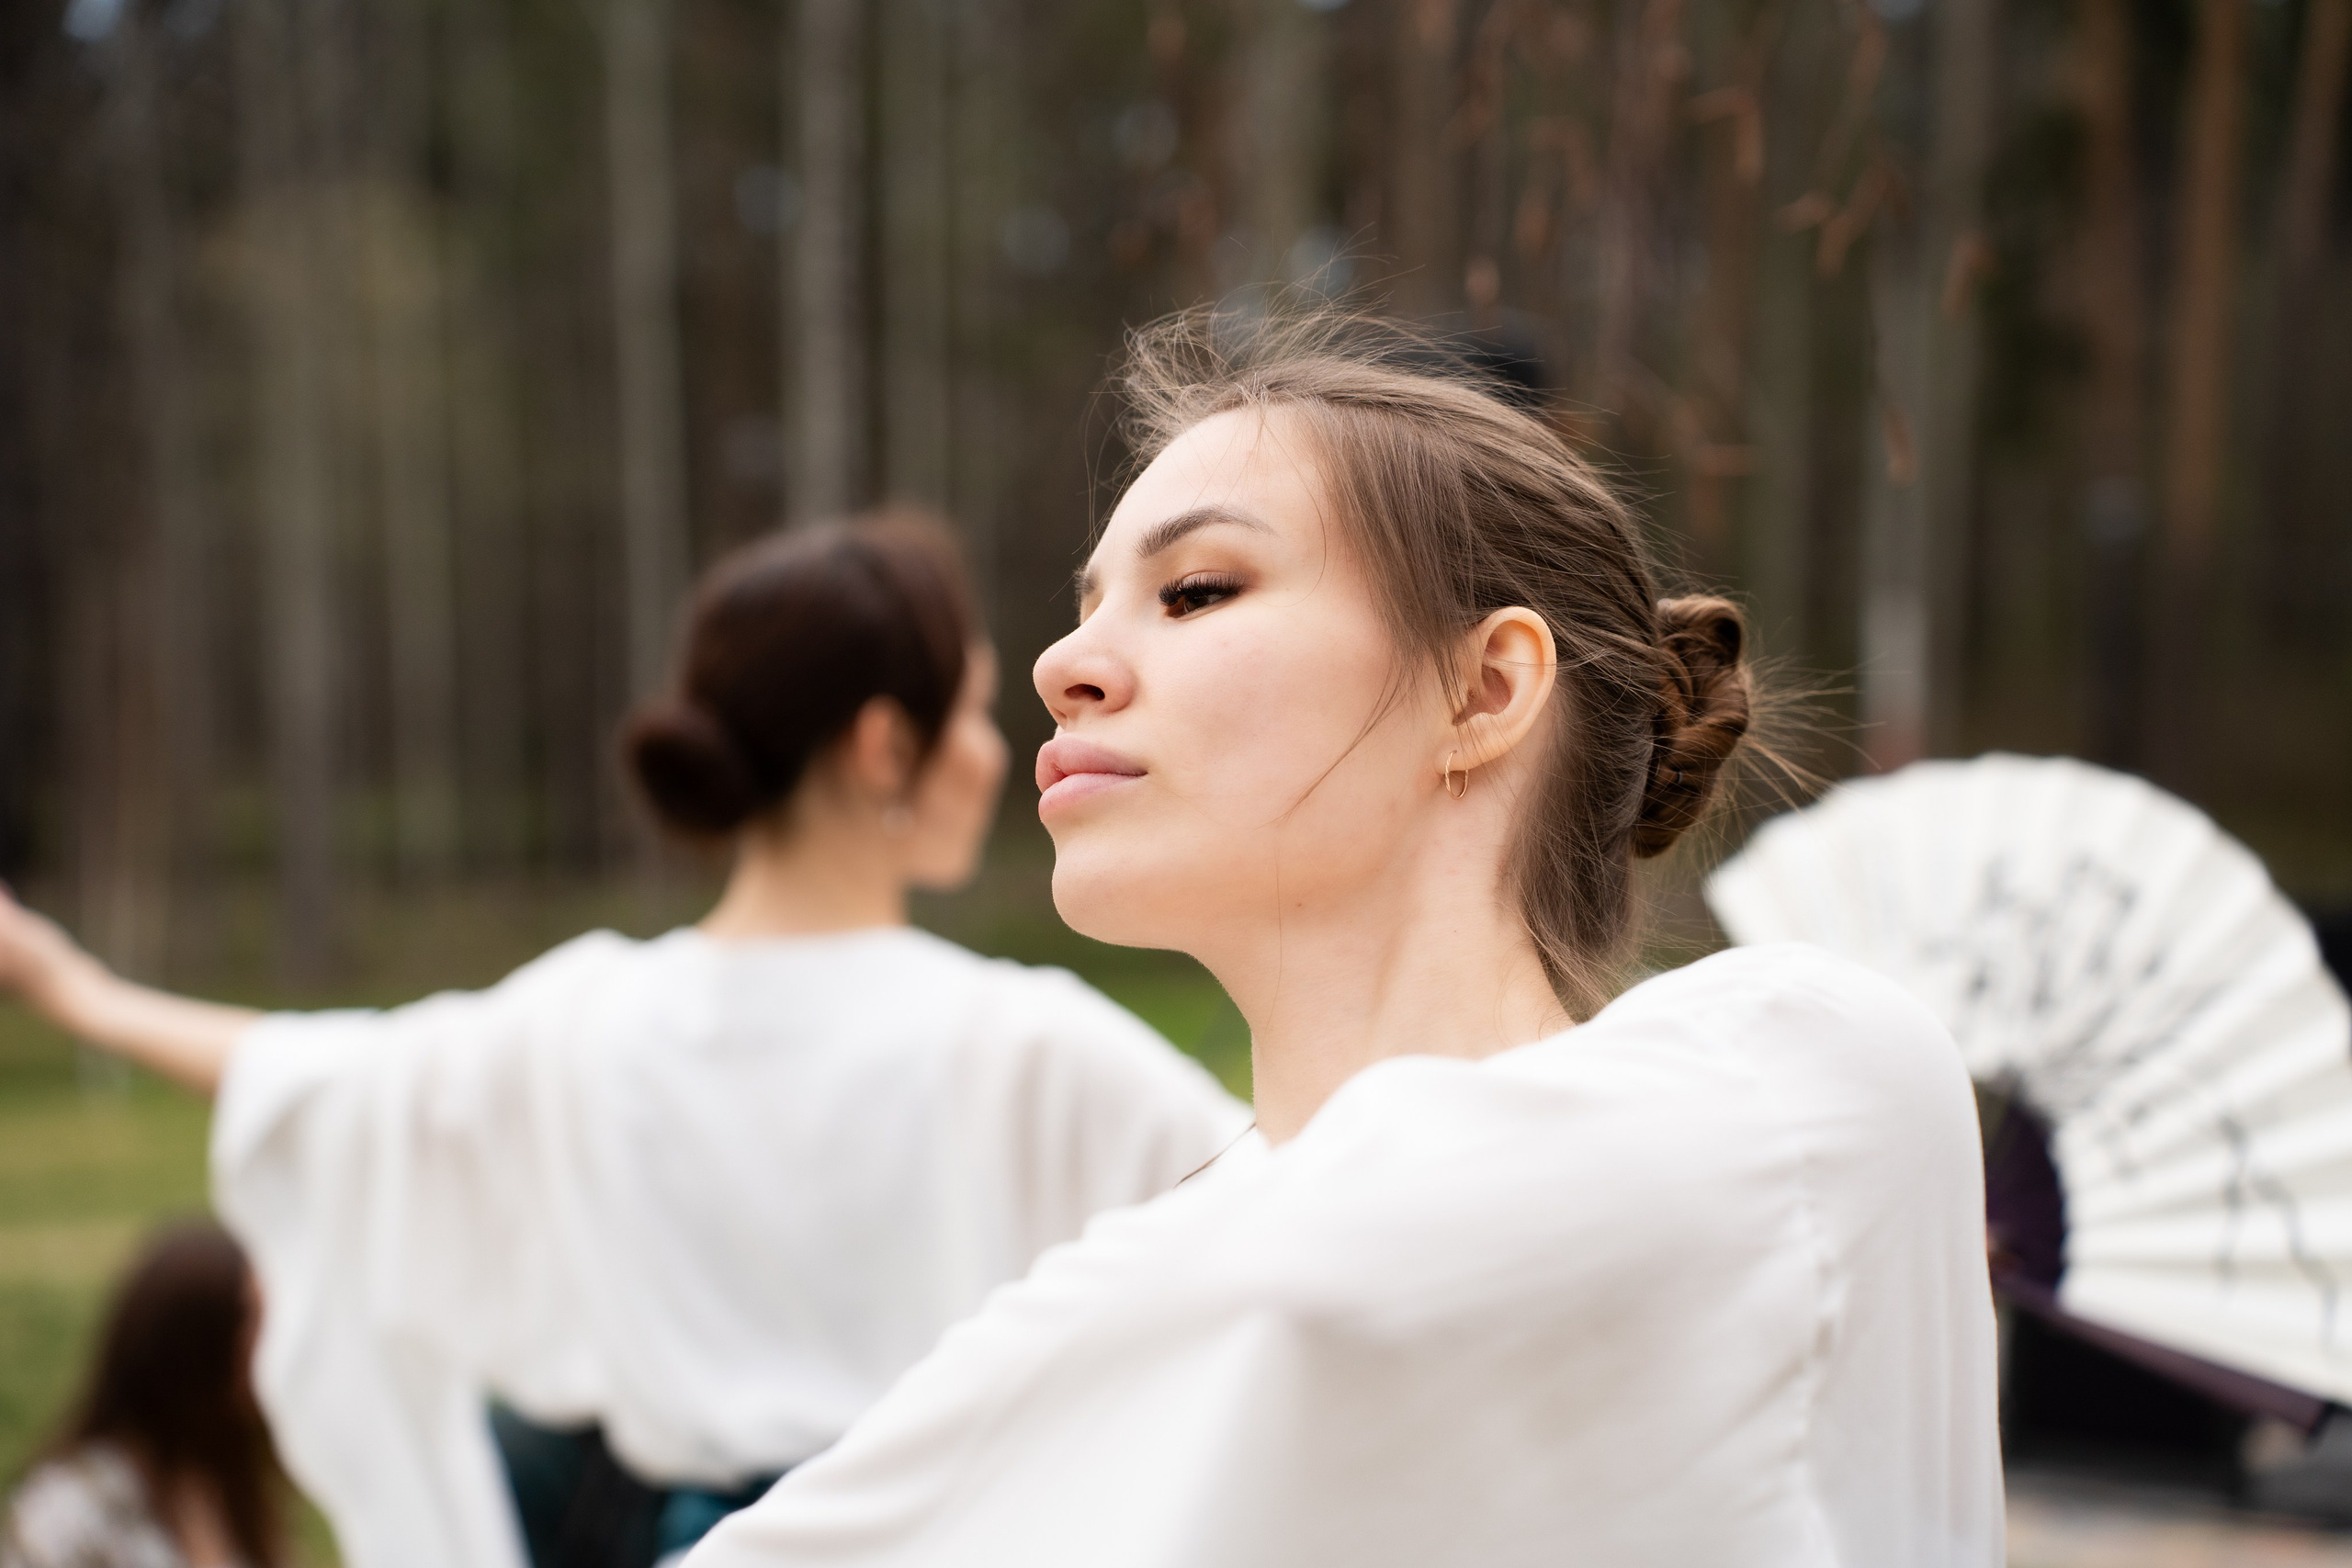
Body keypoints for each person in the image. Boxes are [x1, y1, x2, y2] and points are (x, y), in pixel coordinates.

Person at [685, 313, 2005, 1567]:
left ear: (1485, 689)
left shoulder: (1798, 1086)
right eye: (1088, 601)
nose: (1063, 661)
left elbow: (1344, 1264)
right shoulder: (1148, 1283)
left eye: (1194, 589)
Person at [0, 513, 1250, 1568]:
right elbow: (1295, 1199)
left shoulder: (586, 1019)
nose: (992, 748)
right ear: (882, 742)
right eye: (972, 708)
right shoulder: (1030, 1044)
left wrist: (75, 986)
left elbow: (317, 1072)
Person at [2, 1224, 284, 1568]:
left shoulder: (224, 1490)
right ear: (193, 1350)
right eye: (252, 1321)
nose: (278, 1347)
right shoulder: (68, 1515)